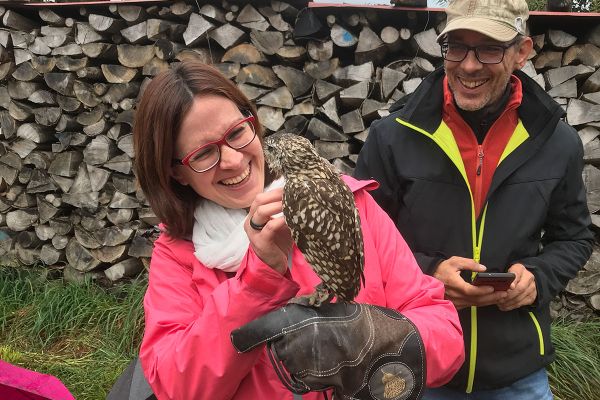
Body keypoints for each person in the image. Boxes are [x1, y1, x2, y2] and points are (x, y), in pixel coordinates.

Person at [133, 61, 464, 400]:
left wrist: (377, 338)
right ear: (176, 173)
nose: (232, 160)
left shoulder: (347, 202)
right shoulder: (179, 256)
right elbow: (179, 388)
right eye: (203, 154)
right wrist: (256, 280)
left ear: (253, 123)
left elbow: (446, 339)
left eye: (236, 133)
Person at [354, 0, 594, 399]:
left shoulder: (557, 142)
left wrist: (536, 278)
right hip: (414, 363)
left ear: (522, 52)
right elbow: (361, 242)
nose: (469, 65)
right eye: (458, 46)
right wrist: (427, 275)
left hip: (517, 374)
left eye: (489, 48)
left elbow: (574, 238)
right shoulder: (392, 136)